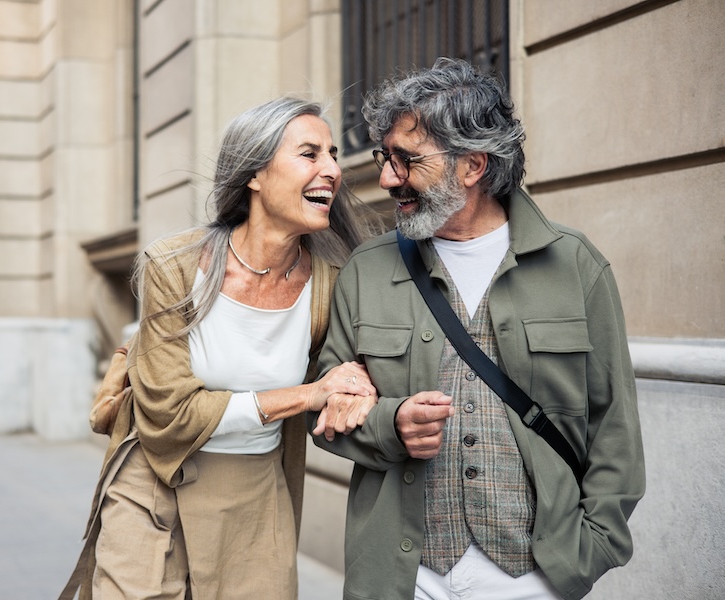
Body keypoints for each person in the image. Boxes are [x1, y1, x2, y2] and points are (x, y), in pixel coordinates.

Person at [309, 58, 645, 600]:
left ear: (473, 166)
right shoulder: (365, 271)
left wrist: (591, 550)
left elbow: (616, 431)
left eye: (407, 160)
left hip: (537, 580)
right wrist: (392, 424)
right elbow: (322, 407)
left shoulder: (577, 266)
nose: (388, 177)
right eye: (384, 157)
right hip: (402, 580)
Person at [60, 97, 381, 600]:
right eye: (310, 154)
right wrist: (307, 395)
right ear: (255, 174)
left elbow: (353, 381)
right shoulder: (175, 266)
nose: (333, 170)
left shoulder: (332, 284)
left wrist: (351, 395)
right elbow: (169, 413)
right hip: (154, 481)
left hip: (256, 496)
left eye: (334, 154)